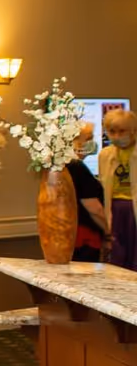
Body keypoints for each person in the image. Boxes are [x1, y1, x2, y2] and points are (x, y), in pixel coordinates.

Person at [102, 108, 137, 269]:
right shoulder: (105, 154)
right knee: (117, 255)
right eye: (112, 131)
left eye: (122, 131)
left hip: (133, 206)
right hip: (115, 207)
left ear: (132, 131)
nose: (116, 136)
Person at [68, 122, 107, 262]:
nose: (92, 142)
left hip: (70, 235)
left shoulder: (63, 164)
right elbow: (94, 208)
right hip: (85, 237)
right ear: (75, 140)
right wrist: (109, 231)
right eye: (88, 138)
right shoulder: (76, 167)